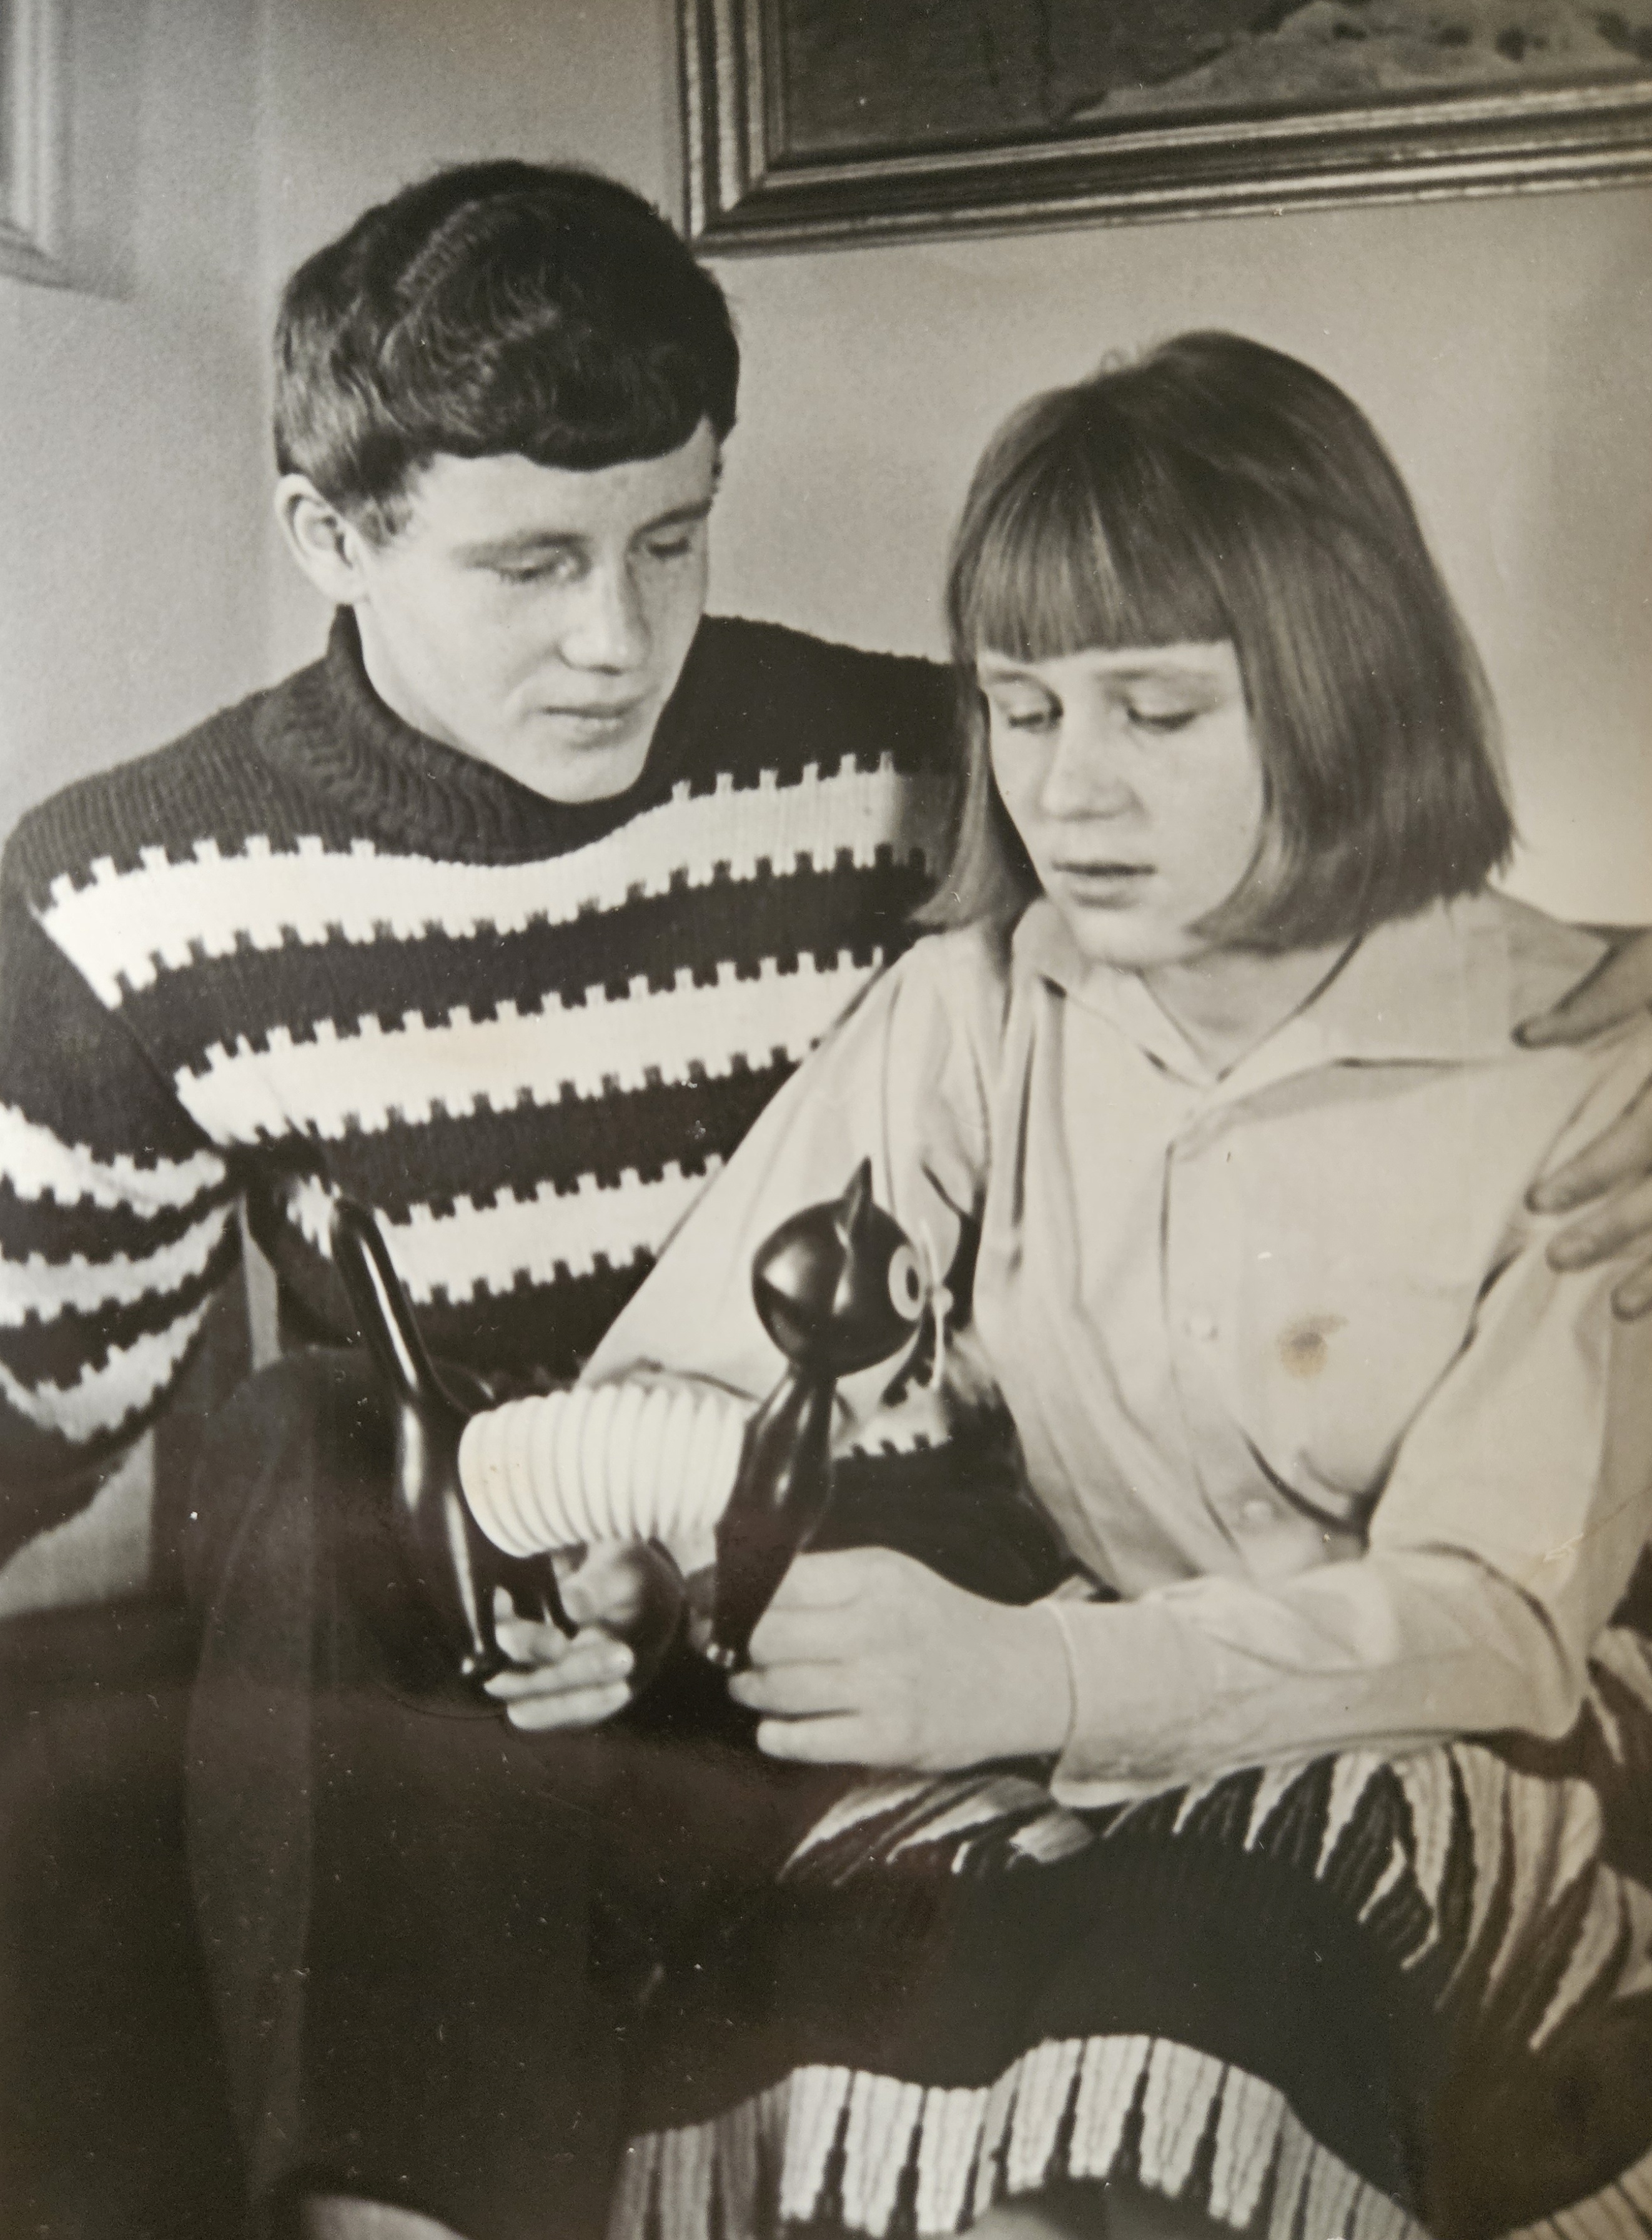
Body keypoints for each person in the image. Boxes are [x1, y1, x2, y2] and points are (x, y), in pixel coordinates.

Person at [0, 166, 1649, 2240]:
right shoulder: (135, 890)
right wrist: (598, 1555)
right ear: (331, 537)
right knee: (307, 1441)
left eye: (669, 541)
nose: (617, 642)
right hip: (539, 1601)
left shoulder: (914, 765)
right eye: (529, 565)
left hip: (922, 1597)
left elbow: (1326, 863)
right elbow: (39, 1394)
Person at [571, 333, 1652, 2240]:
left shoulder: (1587, 1067)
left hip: (1470, 1765)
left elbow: (1495, 1621)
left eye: (1158, 712)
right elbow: (683, 1377)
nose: (1071, 789)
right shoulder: (982, 1004)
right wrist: (628, 1540)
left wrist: (1034, 1674)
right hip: (1096, 1738)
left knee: (1187, 1989)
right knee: (828, 1994)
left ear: (1338, 691)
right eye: (1025, 708)